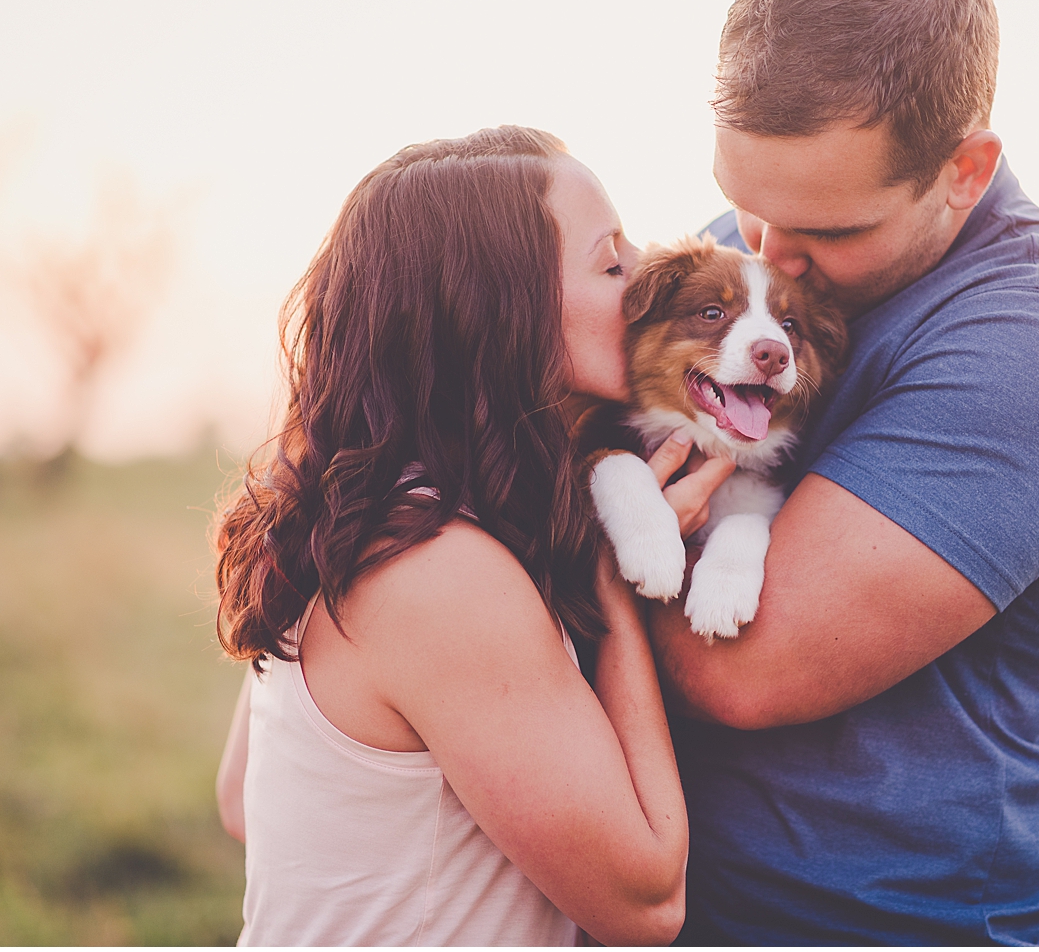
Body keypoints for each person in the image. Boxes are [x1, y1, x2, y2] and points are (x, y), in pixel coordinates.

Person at [646, 0, 1039, 945]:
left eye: (830, 230)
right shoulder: (740, 256)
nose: (765, 258)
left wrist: (524, 576)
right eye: (743, 205)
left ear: (965, 173)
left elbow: (737, 668)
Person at [212, 127, 735, 946]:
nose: (646, 273)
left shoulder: (350, 511)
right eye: (609, 261)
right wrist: (614, 569)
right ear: (501, 313)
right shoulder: (438, 570)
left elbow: (242, 796)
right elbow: (647, 901)